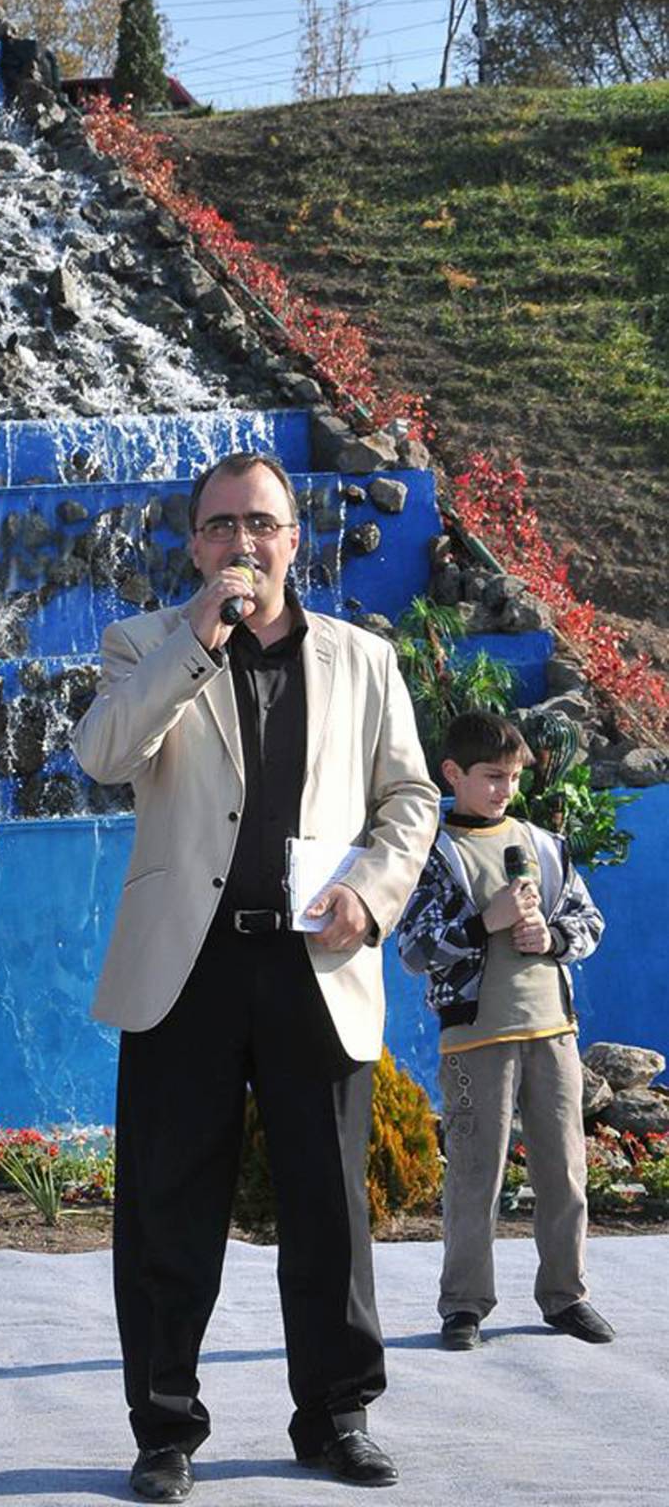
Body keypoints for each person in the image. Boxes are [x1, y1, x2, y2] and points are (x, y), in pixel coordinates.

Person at [72, 452, 439, 1501]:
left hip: (315, 961)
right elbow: (102, 754)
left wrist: (370, 891)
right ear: (196, 545)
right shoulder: (142, 642)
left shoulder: (364, 659)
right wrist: (196, 639)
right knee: (165, 1208)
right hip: (185, 968)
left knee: (329, 1209)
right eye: (222, 524)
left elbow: (411, 799)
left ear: (293, 538)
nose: (243, 542)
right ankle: (164, 1430)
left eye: (261, 523)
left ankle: (337, 1416)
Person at [396, 710, 613, 1352]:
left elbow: (589, 922)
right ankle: (464, 1305)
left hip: (553, 1031)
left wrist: (554, 936)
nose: (505, 790)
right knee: (474, 1175)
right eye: (492, 776)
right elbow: (413, 949)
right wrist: (481, 923)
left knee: (565, 1171)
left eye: (514, 778)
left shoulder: (543, 846)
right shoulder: (434, 854)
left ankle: (566, 1296)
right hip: (475, 1040)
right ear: (453, 774)